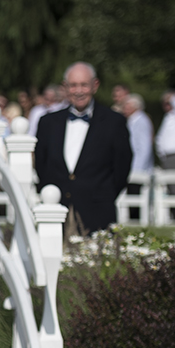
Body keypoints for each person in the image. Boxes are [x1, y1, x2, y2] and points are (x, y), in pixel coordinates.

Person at [35, 62, 132, 234]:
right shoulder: (48, 122)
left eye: (83, 85)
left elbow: (122, 167)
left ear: (95, 86)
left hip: (97, 212)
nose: (78, 91)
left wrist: (103, 196)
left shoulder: (114, 122)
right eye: (73, 85)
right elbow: (41, 165)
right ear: (65, 87)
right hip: (56, 212)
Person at [123, 94, 154, 174]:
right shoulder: (132, 120)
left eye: (127, 105)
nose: (124, 108)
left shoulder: (142, 121)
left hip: (138, 169)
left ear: (135, 106)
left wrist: (138, 169)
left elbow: (145, 146)